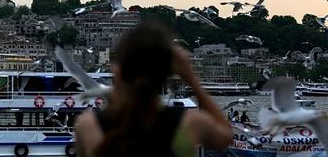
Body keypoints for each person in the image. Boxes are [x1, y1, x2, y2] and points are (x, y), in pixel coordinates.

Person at [73, 23, 232, 157]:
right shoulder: (190, 123)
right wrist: (190, 77)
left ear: (119, 72)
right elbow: (225, 136)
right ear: (167, 72)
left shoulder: (89, 126)